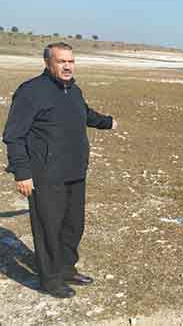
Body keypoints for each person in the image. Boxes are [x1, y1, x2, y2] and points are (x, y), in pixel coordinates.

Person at [3, 42, 117, 298]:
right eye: (61, 61)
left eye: (71, 61)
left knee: (73, 226)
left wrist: (107, 122)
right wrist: (22, 173)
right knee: (48, 228)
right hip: (45, 174)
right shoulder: (31, 92)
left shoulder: (72, 89)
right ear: (48, 63)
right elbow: (13, 135)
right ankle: (50, 279)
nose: (67, 66)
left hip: (75, 172)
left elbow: (83, 113)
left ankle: (66, 269)